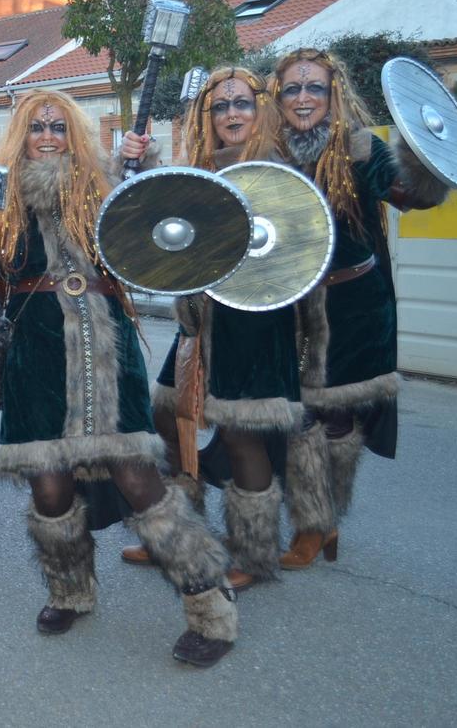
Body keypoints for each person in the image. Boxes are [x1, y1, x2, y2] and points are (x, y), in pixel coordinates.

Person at [0, 89, 238, 667]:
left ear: (74, 134)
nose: (48, 136)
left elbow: (153, 226)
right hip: (35, 356)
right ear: (20, 136)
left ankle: (211, 603)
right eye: (37, 127)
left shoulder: (105, 185)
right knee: (49, 488)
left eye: (58, 126)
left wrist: (141, 163)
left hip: (106, 348)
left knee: (138, 479)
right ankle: (70, 591)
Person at [117, 67, 299, 591]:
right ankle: (183, 533)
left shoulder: (278, 168)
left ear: (260, 109)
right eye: (220, 106)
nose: (232, 114)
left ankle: (254, 555)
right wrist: (145, 163)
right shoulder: (203, 167)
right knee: (166, 414)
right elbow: (166, 217)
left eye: (241, 103)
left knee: (240, 433)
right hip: (200, 321)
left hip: (255, 324)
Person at [272, 49, 448, 569]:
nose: (304, 98)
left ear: (335, 94)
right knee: (295, 414)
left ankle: (318, 523)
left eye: (315, 88)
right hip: (290, 304)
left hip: (354, 306)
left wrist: (425, 152)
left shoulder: (360, 147)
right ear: (278, 99)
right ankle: (314, 517)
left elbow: (413, 196)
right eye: (292, 89)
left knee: (334, 414)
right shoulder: (269, 150)